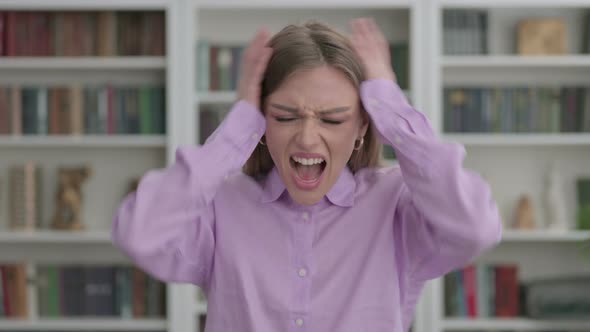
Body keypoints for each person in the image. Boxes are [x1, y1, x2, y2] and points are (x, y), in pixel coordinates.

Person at [112, 18, 502, 332]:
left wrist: (389, 105)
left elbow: (476, 228)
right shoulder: (222, 207)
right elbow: (139, 233)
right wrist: (236, 130)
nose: (307, 138)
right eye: (284, 117)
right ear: (262, 122)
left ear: (363, 126)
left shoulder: (397, 206)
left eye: (333, 119)